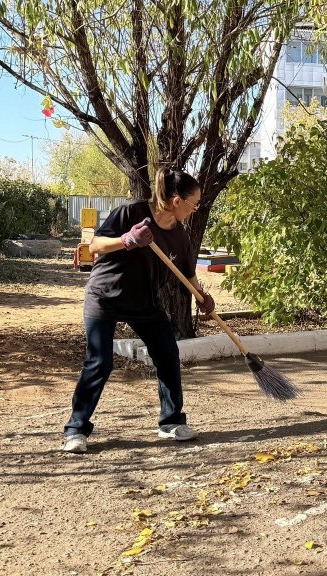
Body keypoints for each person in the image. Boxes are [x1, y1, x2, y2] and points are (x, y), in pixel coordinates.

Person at [62, 167, 215, 453]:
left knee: (168, 354)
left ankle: (170, 422)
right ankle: (76, 429)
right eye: (194, 204)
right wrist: (127, 240)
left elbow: (187, 273)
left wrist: (201, 296)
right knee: (100, 362)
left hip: (145, 302)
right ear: (177, 201)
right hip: (105, 296)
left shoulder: (180, 236)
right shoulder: (131, 213)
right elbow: (94, 246)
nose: (195, 210)